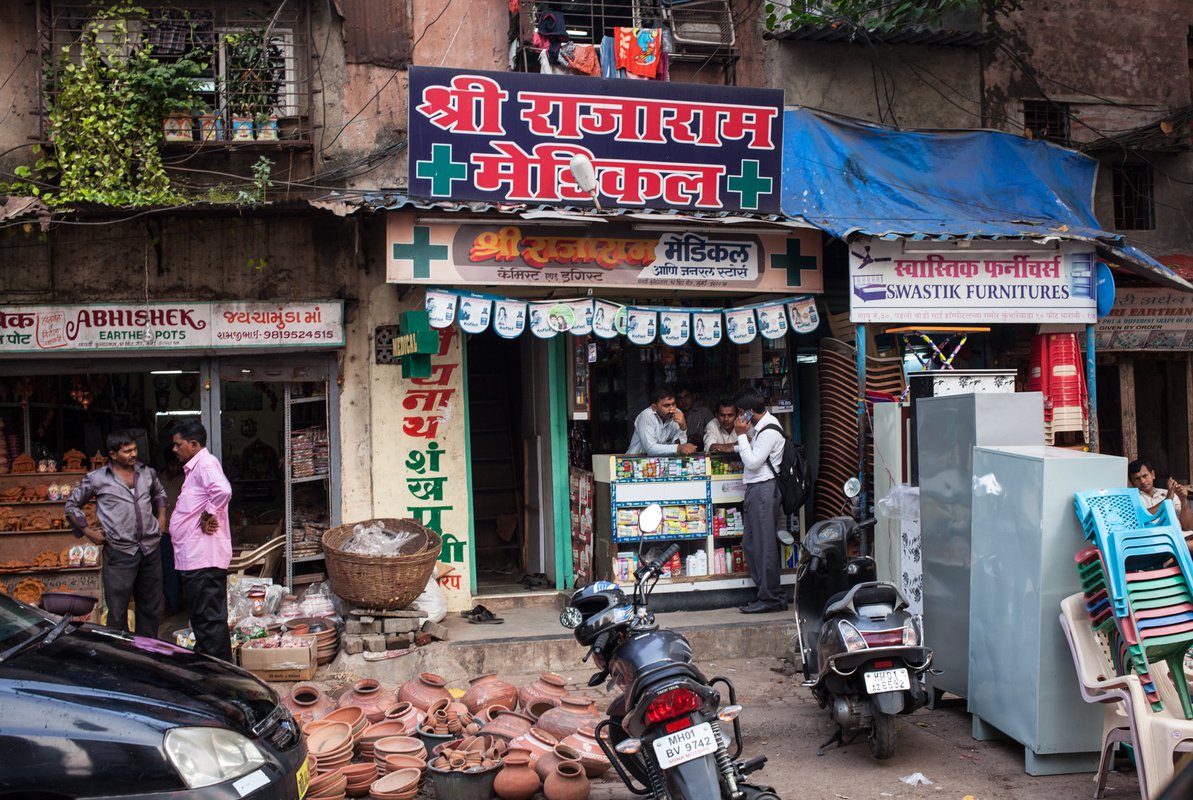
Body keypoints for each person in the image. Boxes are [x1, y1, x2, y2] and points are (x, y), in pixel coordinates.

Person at [65, 430, 168, 638]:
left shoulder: (147, 472)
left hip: (149, 548)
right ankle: (122, 655)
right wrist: (88, 532)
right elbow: (72, 505)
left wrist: (162, 519)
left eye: (134, 449)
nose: (133, 454)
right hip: (120, 552)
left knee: (151, 606)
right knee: (118, 610)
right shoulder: (97, 478)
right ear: (113, 454)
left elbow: (160, 494)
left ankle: (147, 652)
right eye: (127, 451)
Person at [170, 419, 234, 661]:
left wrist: (208, 513)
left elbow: (223, 490)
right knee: (204, 621)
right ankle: (214, 672)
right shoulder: (196, 468)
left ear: (194, 444)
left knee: (209, 623)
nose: (174, 450)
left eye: (178, 444)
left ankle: (221, 679)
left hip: (203, 560)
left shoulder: (205, 464)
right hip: (195, 559)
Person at [733, 390, 787, 613]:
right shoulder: (761, 427)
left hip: (764, 490)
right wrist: (735, 445)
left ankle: (771, 598)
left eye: (739, 414)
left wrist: (740, 435)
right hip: (757, 490)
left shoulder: (769, 430)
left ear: (748, 413)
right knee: (751, 543)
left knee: (764, 546)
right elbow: (753, 451)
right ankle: (765, 592)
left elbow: (754, 461)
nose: (738, 419)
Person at [627, 386, 697, 456]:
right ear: (654, 407)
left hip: (660, 463)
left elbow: (678, 446)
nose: (672, 409)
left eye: (673, 404)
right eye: (667, 405)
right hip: (633, 461)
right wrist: (678, 448)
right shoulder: (646, 416)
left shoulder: (677, 414)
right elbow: (650, 449)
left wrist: (683, 428)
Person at [1128, 458, 1193, 532]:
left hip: (1181, 537)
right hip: (1156, 539)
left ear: (1153, 474)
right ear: (1131, 482)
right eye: (1137, 479)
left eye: (1145, 476)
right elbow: (1141, 516)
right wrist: (1168, 500)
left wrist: (1183, 500)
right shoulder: (1130, 499)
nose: (1142, 481)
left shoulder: (1167, 493)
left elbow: (1189, 527)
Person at [676, 386, 713, 451]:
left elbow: (713, 434)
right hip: (681, 452)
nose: (683, 401)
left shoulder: (704, 412)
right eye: (680, 398)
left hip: (702, 452)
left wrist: (701, 438)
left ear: (693, 397)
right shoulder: (674, 415)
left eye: (687, 397)